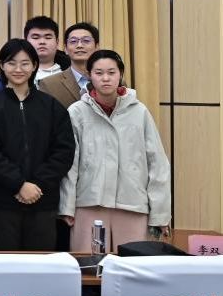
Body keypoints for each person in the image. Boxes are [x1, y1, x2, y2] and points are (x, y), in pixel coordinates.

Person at [60, 50, 171, 252]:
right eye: (99, 73)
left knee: (133, 264)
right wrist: (67, 206)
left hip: (132, 203)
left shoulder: (139, 111)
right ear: (89, 75)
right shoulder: (77, 112)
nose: (105, 78)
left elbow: (157, 163)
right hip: (89, 201)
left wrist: (160, 213)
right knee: (89, 263)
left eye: (111, 72)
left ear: (120, 74)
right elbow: (70, 163)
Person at [0, 39, 76, 251]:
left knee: (40, 264)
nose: (18, 69)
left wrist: (37, 184)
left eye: (25, 63)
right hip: (0, 202)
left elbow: (63, 151)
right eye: (11, 63)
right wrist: (19, 184)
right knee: (3, 263)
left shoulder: (51, 106)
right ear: (2, 65)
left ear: (34, 65)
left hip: (43, 199)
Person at [0, 17, 72, 92]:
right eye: (35, 37)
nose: (42, 42)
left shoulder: (73, 70)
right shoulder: (3, 79)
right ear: (26, 41)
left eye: (48, 37)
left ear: (57, 42)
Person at [39, 22, 99, 109]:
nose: (79, 45)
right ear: (65, 49)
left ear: (96, 47)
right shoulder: (49, 84)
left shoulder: (112, 80)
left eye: (86, 41)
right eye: (73, 41)